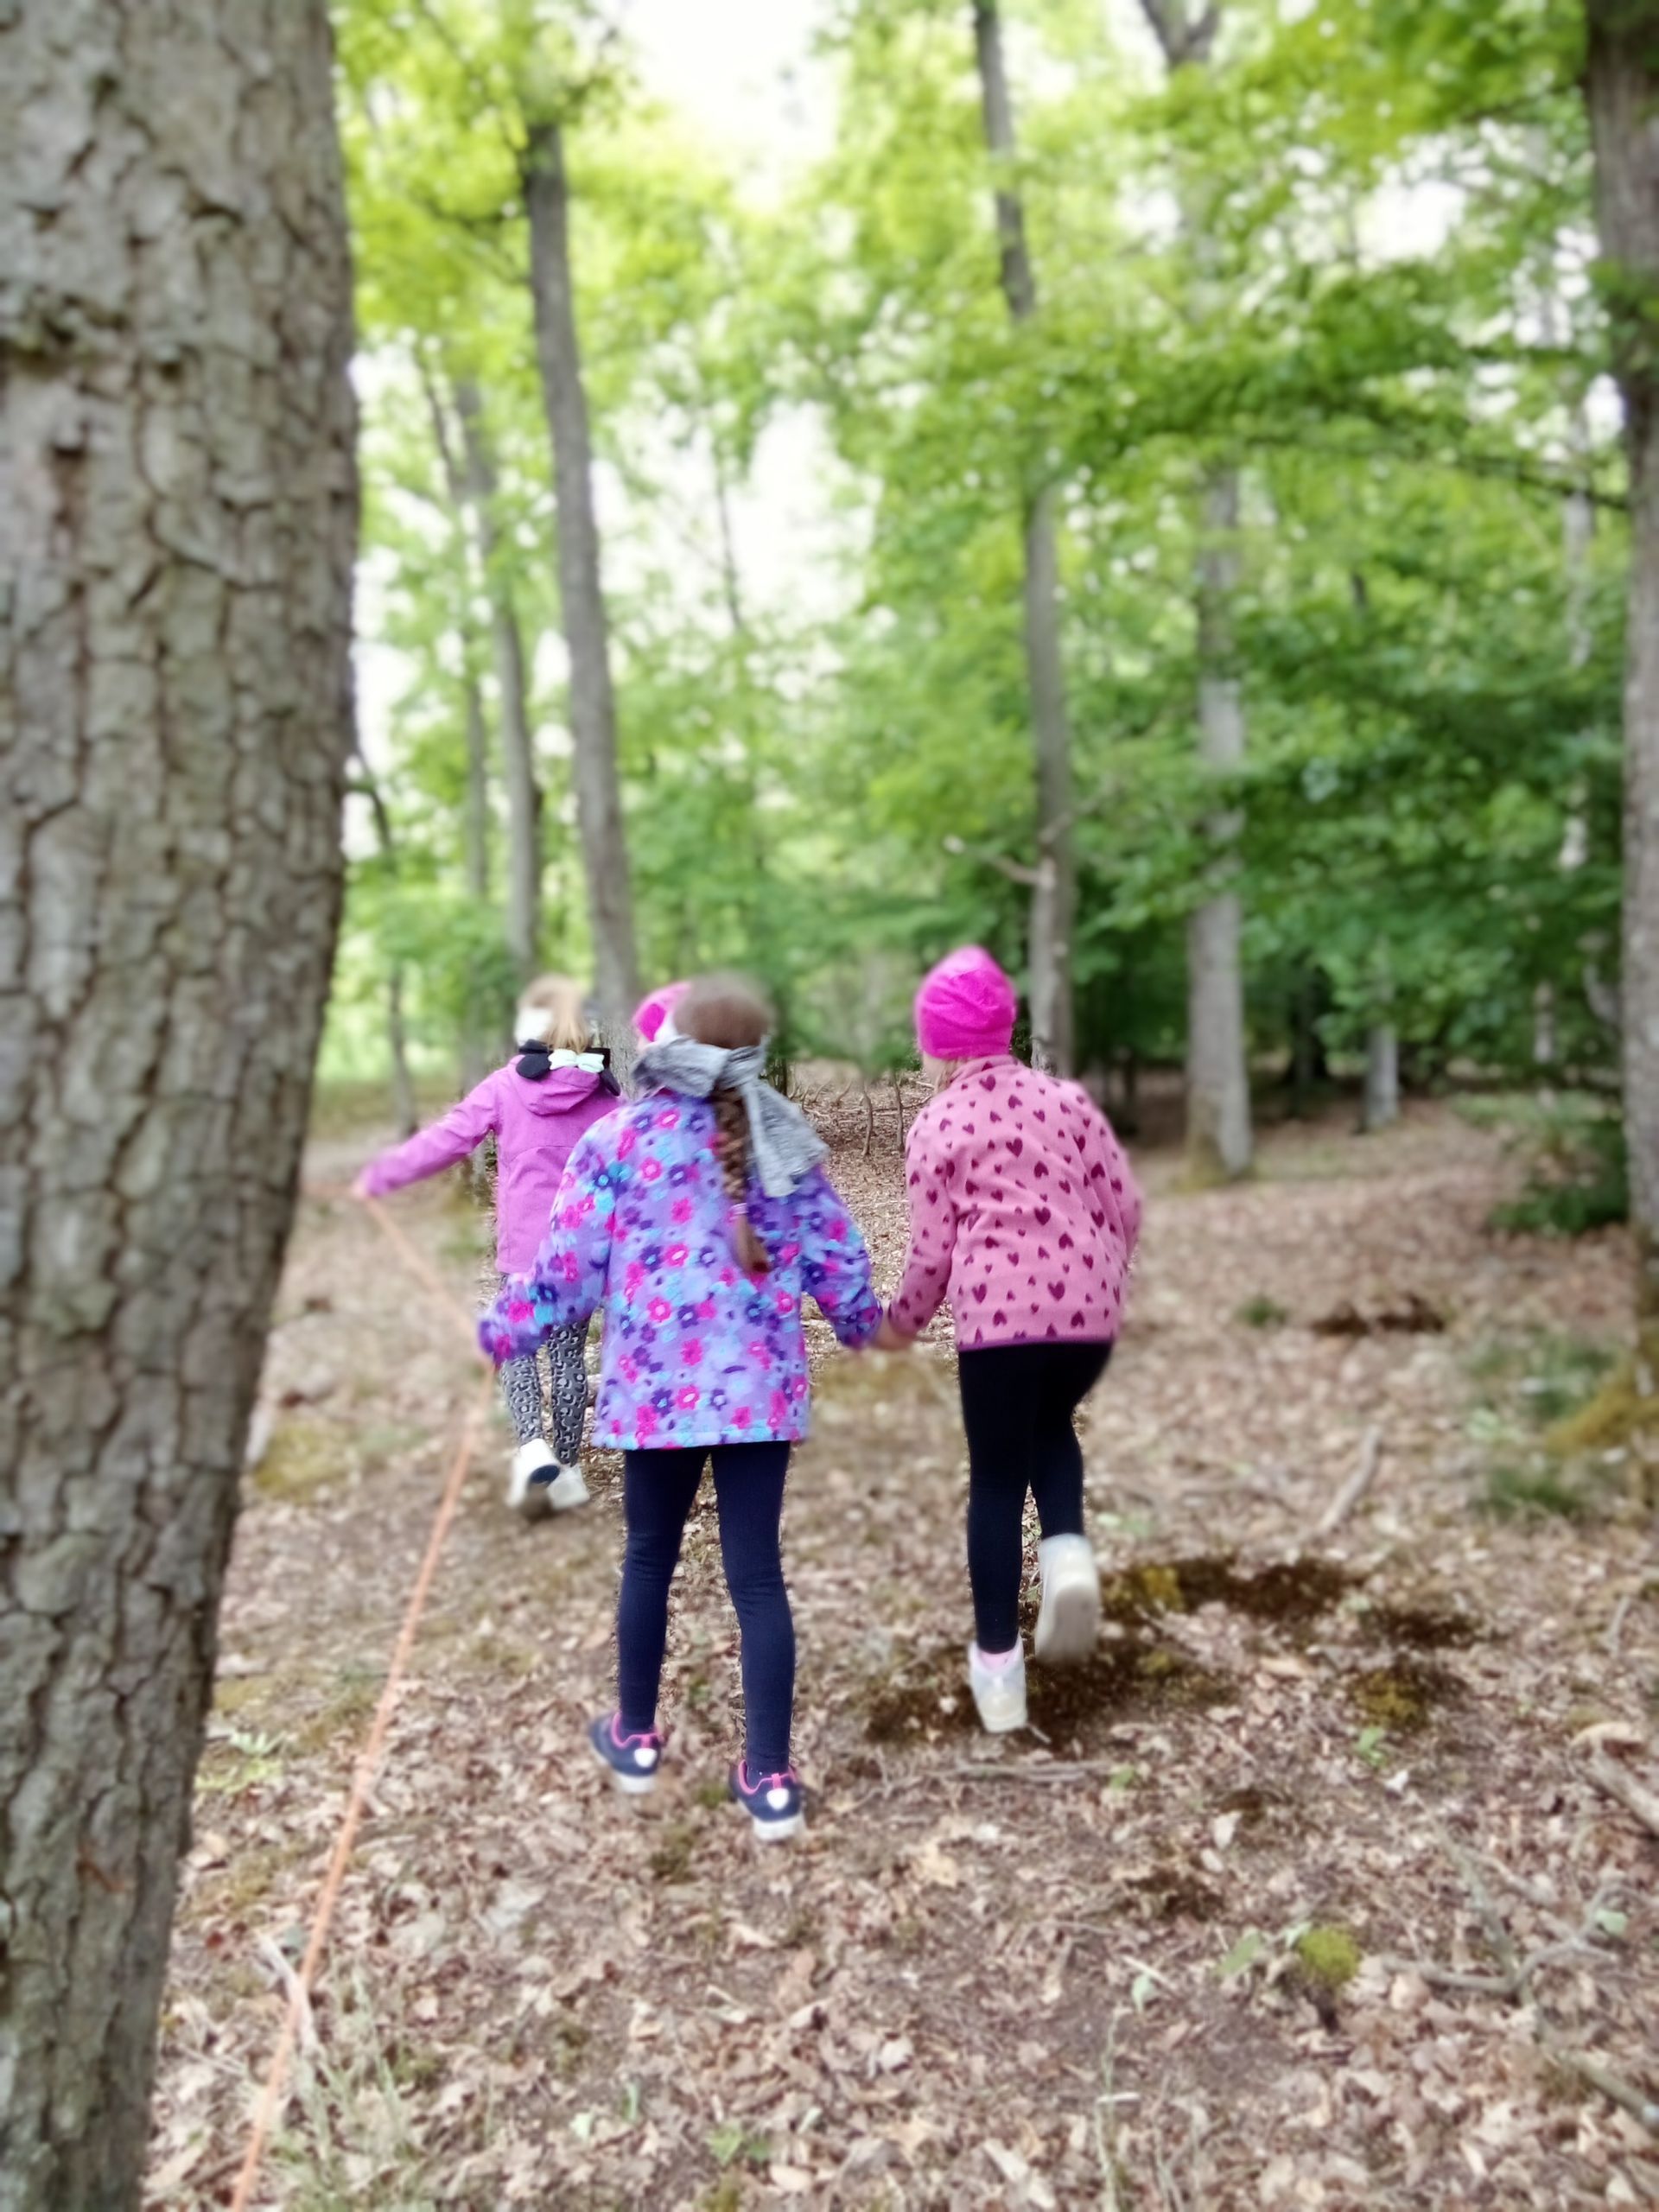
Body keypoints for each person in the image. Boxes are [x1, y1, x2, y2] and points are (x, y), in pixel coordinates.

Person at [480, 973, 887, 1840]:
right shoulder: (781, 1136)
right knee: (757, 1578)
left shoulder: (619, 1138)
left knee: (647, 1560)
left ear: (668, 1043)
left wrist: (507, 1328)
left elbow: (565, 1271)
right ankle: (770, 1782)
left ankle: (635, 1739)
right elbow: (837, 1255)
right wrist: (863, 1325)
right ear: (754, 1053)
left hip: (654, 1397)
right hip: (758, 1399)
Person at [885, 947, 1142, 1734]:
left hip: (1001, 1328)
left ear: (939, 1046)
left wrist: (902, 1323)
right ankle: (1067, 1556)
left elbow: (932, 1254)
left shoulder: (937, 1124)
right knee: (1051, 1424)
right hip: (1087, 1321)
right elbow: (1124, 1205)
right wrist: (1104, 1272)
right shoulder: (1067, 1102)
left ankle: (998, 1671)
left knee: (997, 1478)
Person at [353, 975, 620, 1519]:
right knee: (568, 1356)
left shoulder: (505, 1086)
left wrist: (383, 1175)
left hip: (525, 1254)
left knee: (516, 1348)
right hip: (583, 1254)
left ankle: (532, 1447)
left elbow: (447, 1139)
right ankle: (568, 1473)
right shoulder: (608, 1099)